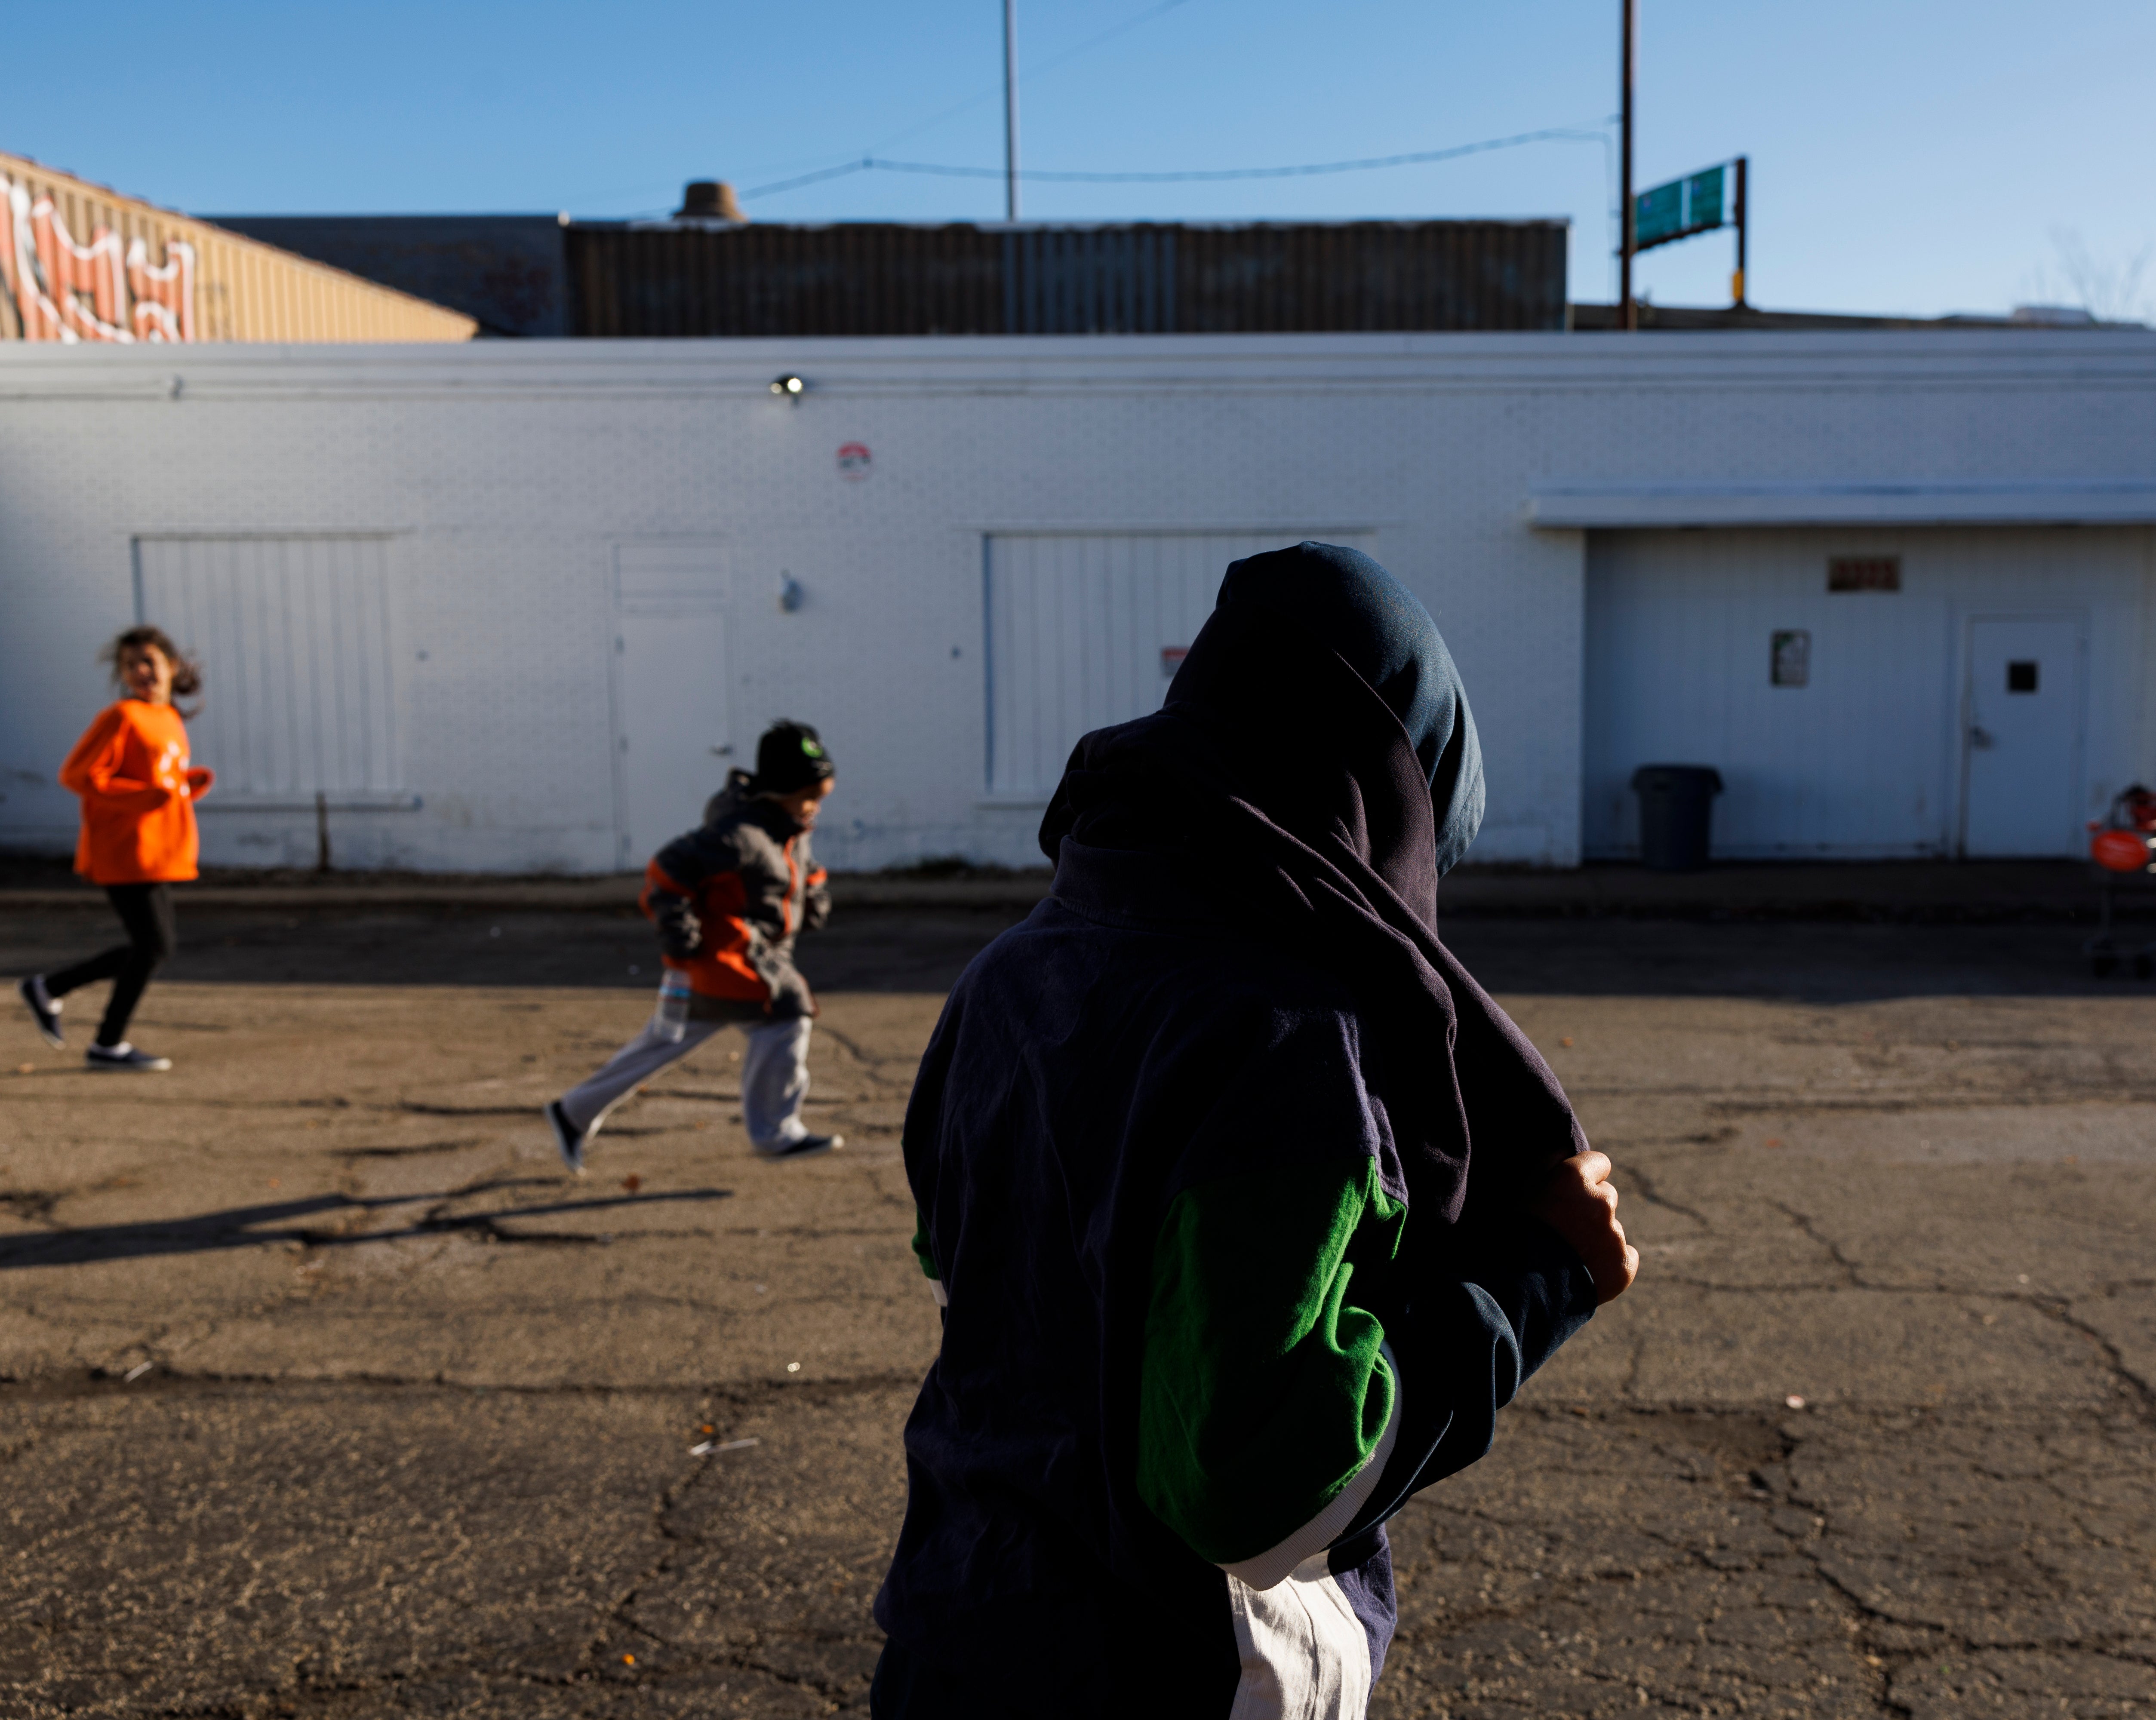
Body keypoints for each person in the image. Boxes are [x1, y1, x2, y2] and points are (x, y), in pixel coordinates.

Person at [873, 543, 1639, 1718]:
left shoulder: (1010, 974)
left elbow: (971, 1284)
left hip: (956, 1620)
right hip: (1170, 1670)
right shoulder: (1283, 1034)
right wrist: (1535, 1279)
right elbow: (1259, 1488)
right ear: (1385, 792)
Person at [545, 720, 846, 1172]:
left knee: (662, 1042)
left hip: (728, 967)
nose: (816, 808)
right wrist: (681, 941)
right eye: (810, 797)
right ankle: (775, 1133)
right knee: (787, 1017)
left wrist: (814, 894)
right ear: (780, 791)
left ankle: (573, 1112)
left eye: (821, 798)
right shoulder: (739, 835)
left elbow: (801, 868)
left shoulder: (785, 826)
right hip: (732, 964)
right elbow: (667, 873)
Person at [18, 627, 213, 1072]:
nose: (141, 671)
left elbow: (156, 780)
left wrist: (185, 785)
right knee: (154, 946)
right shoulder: (122, 716)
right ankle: (101, 1036)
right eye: (130, 665)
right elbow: (78, 776)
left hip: (158, 847)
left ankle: (54, 993)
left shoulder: (169, 719)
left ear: (172, 665)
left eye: (149, 661)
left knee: (154, 947)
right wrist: (146, 795)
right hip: (125, 849)